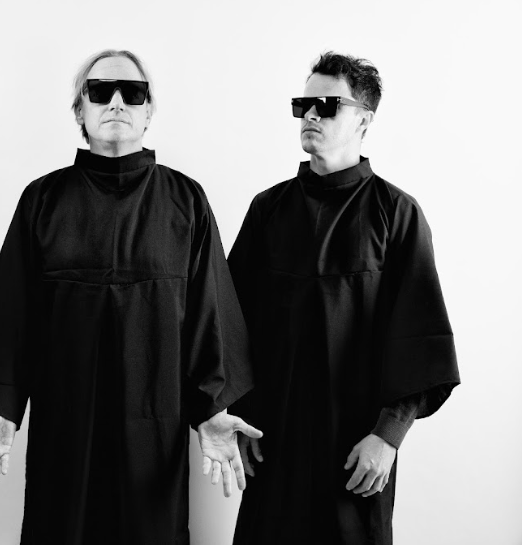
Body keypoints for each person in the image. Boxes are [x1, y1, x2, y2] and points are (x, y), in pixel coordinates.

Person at [0, 49, 261, 544]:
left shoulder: (185, 201)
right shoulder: (43, 200)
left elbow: (210, 313)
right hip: (65, 431)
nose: (116, 102)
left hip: (153, 434)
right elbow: (11, 316)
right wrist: (1, 406)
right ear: (80, 109)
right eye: (99, 92)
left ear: (148, 110)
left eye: (132, 93)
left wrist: (212, 410)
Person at [228, 51, 461, 545]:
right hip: (274, 445)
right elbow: (230, 323)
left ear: (364, 120)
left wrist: (388, 435)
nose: (311, 115)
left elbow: (421, 336)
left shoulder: (396, 214)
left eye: (328, 104)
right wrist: (239, 420)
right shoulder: (268, 210)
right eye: (303, 105)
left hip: (356, 451)